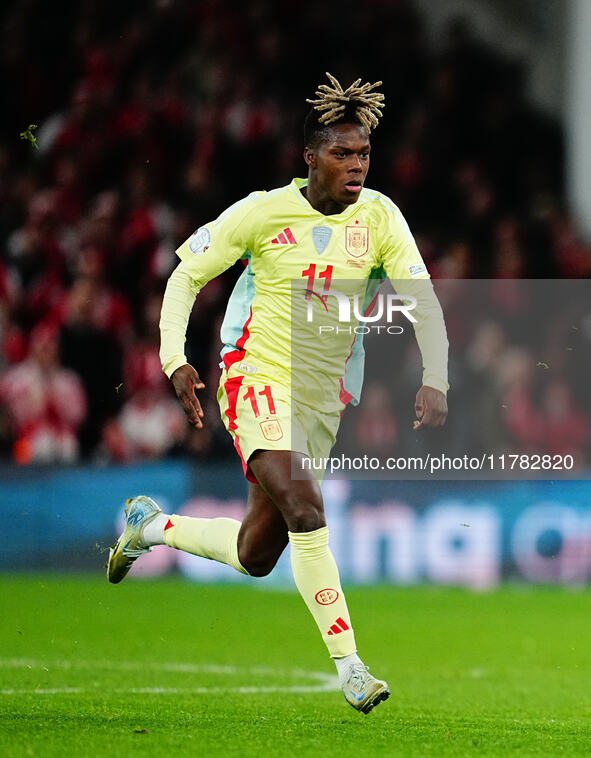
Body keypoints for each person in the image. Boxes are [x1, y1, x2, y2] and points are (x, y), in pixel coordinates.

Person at [107, 73, 448, 714]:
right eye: (343, 153)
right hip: (255, 377)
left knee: (256, 553)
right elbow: (186, 276)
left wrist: (437, 376)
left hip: (324, 401)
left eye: (365, 154)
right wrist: (174, 360)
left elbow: (421, 298)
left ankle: (148, 525)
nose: (356, 166)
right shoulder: (262, 212)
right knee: (306, 506)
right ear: (310, 157)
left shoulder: (379, 218)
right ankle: (351, 667)